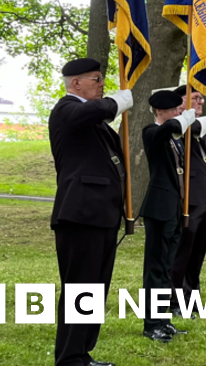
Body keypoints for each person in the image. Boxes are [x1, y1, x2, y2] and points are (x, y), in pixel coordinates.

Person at [49, 57, 133, 366]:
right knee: (80, 288)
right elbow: (91, 111)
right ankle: (70, 358)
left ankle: (82, 353)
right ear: (76, 83)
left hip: (102, 214)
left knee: (95, 289)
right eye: (96, 79)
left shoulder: (94, 123)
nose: (101, 85)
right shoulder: (66, 111)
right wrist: (116, 102)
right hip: (80, 214)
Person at [139, 89, 192, 342]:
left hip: (173, 207)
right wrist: (181, 118)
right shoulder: (152, 132)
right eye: (173, 109)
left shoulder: (175, 139)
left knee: (167, 269)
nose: (177, 112)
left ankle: (164, 320)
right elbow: (167, 127)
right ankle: (151, 324)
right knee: (155, 269)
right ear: (160, 111)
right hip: (159, 208)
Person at [168, 86, 206, 315]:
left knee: (197, 253)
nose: (201, 102)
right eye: (195, 98)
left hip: (205, 201)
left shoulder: (204, 133)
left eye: (201, 98)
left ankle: (192, 298)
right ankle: (174, 300)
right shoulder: (180, 127)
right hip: (187, 200)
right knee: (182, 253)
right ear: (181, 103)